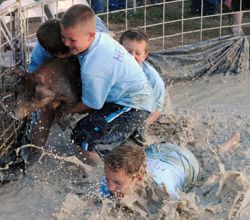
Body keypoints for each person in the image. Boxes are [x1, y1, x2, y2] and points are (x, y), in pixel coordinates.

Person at [60, 5, 156, 158]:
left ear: (91, 36)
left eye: (72, 40)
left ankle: (98, 173)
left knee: (85, 136)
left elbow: (92, 105)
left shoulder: (93, 68)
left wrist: (65, 111)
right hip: (130, 98)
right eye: (63, 37)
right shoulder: (100, 37)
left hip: (133, 106)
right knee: (86, 130)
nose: (65, 43)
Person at [99, 143, 200, 201]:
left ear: (139, 179)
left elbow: (181, 210)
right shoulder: (113, 176)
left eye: (117, 183)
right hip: (156, 149)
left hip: (187, 162)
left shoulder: (163, 189)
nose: (110, 187)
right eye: (107, 179)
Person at [119, 30, 165, 145]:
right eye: (128, 52)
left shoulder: (153, 79)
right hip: (122, 103)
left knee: (135, 137)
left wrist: (142, 124)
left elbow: (158, 108)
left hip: (143, 109)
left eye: (137, 53)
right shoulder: (113, 68)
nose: (132, 56)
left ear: (145, 56)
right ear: (118, 50)